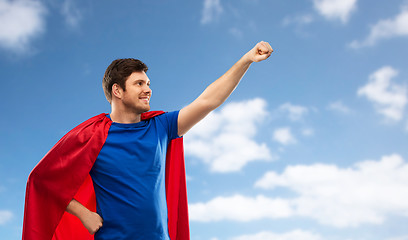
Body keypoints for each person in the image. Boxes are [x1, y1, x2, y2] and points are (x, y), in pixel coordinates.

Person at [22, 41, 273, 240]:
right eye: (139, 83)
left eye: (148, 83)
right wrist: (83, 213)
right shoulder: (92, 136)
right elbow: (42, 180)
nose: (148, 89)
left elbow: (208, 100)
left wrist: (247, 59)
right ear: (117, 91)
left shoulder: (161, 126)